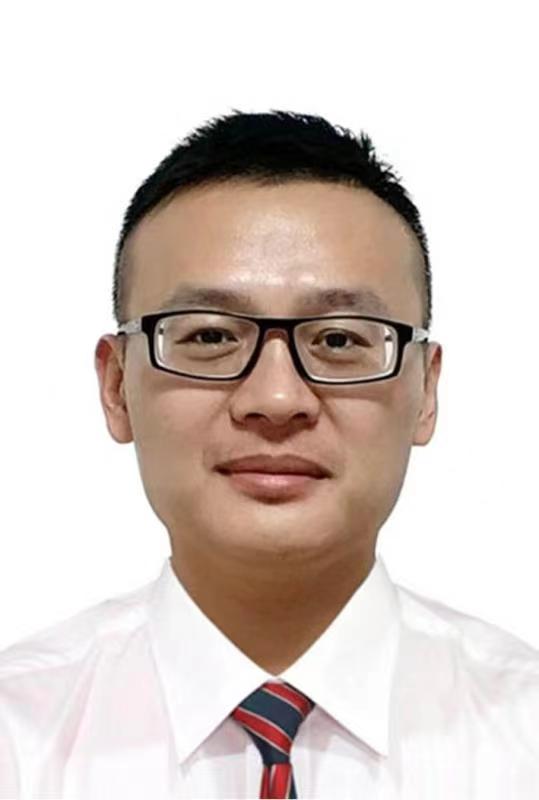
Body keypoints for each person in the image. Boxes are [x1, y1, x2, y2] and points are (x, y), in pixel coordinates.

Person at [0, 110, 537, 800]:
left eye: (340, 340)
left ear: (426, 391)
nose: (277, 398)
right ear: (116, 387)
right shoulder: (18, 740)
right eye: (208, 336)